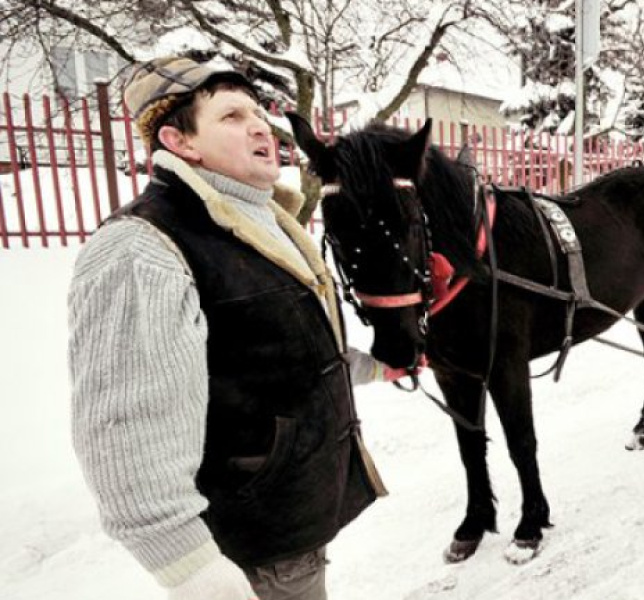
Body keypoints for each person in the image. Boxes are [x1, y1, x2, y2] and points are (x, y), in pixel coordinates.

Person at [69, 57, 400, 600]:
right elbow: (123, 431)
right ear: (179, 141)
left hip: (291, 529)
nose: (260, 127)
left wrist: (381, 368)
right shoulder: (143, 247)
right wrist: (192, 570)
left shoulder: (264, 220)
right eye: (230, 116)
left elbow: (293, 356)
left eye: (258, 112)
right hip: (247, 561)